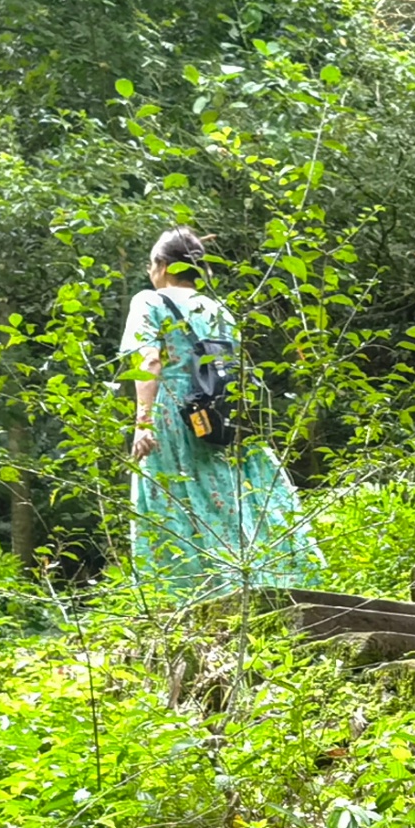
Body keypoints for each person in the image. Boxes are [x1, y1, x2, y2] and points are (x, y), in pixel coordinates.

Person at [124, 229, 321, 597]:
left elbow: (149, 360)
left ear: (164, 267)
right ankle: (255, 582)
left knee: (173, 498)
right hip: (219, 416)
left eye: (152, 263)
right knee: (228, 498)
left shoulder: (148, 302)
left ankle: (184, 593)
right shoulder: (219, 310)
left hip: (172, 415)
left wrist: (143, 423)